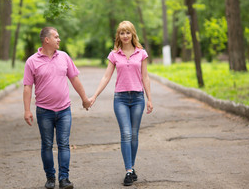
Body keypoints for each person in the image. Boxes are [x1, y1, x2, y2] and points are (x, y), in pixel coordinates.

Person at [23, 27, 91, 189]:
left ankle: (64, 179)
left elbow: (75, 79)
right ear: (47, 40)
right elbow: (27, 87)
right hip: (44, 111)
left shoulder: (64, 57)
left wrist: (84, 99)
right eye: (56, 37)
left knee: (64, 144)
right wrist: (27, 110)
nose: (59, 39)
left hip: (64, 110)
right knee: (46, 145)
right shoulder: (32, 61)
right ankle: (50, 178)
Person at [89, 21, 153, 186]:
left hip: (138, 98)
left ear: (133, 34)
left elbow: (145, 77)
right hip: (121, 99)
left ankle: (131, 167)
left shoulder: (141, 53)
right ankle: (128, 171)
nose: (125, 36)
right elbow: (106, 76)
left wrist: (149, 99)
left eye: (128, 32)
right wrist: (94, 95)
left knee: (134, 134)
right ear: (118, 36)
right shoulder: (114, 55)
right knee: (125, 134)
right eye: (122, 33)